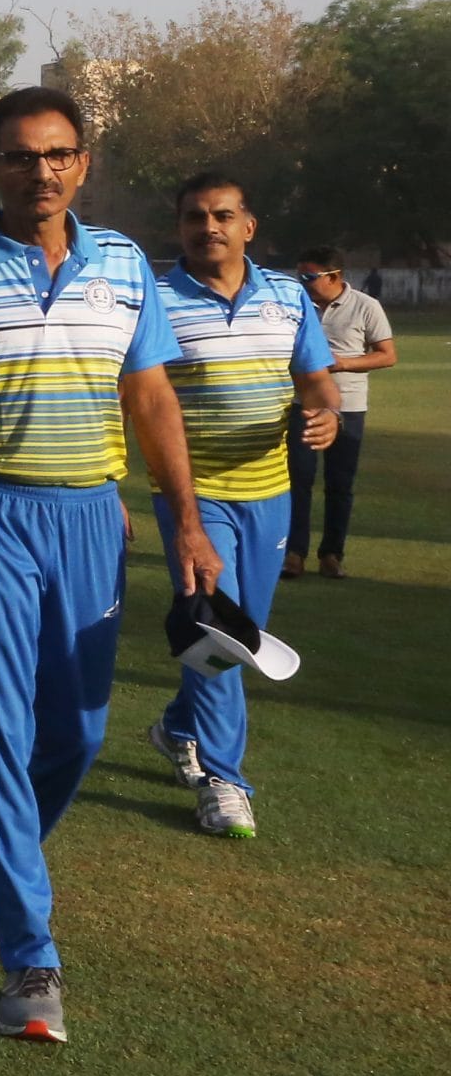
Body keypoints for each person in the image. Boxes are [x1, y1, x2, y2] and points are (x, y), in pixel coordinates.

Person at [0, 85, 220, 1045]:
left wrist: (187, 522)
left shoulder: (125, 265)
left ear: (83, 163)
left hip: (89, 517)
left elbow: (150, 398)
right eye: (22, 156)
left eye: (59, 153)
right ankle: (31, 958)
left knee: (78, 731)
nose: (43, 171)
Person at [149, 176, 339, 838]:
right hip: (192, 495)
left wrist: (325, 414)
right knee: (219, 630)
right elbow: (137, 397)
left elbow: (316, 381)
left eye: (223, 215)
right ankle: (223, 781)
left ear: (248, 226)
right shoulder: (156, 300)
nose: (209, 227)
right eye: (195, 217)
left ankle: (177, 726)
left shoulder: (288, 295)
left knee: (242, 632)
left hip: (270, 493)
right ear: (179, 227)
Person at [286, 245, 394, 579]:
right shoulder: (295, 305)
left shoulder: (365, 306)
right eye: (300, 276)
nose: (303, 283)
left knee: (340, 483)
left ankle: (331, 554)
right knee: (298, 480)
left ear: (334, 276)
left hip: (349, 407)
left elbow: (387, 355)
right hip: (303, 404)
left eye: (309, 277)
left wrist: (342, 363)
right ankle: (294, 553)